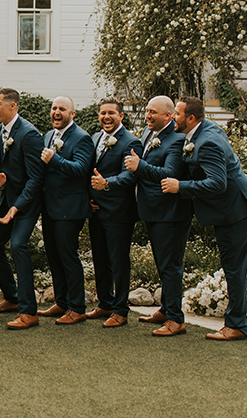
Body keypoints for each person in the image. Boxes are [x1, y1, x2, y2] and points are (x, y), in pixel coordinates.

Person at [161, 97, 247, 341]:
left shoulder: (208, 142)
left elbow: (217, 183)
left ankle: (236, 326)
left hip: (233, 208)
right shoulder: (204, 128)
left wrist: (180, 186)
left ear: (191, 119)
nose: (172, 118)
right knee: (245, 250)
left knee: (233, 266)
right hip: (236, 205)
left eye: (177, 114)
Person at [123, 95, 189, 337]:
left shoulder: (177, 140)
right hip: (151, 210)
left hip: (169, 213)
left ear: (168, 116)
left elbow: (170, 173)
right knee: (163, 264)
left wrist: (139, 166)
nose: (148, 116)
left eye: (153, 113)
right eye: (147, 111)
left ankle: (175, 319)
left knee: (171, 266)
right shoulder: (149, 133)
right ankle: (165, 308)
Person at [0, 88, 46, 330]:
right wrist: (3, 181)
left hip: (27, 203)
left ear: (13, 106)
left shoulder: (29, 135)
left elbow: (35, 179)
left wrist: (16, 207)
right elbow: (10, 170)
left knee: (18, 246)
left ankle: (29, 312)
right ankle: (11, 298)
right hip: (9, 197)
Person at [37, 96, 94, 326]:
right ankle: (61, 301)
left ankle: (77, 307)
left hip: (70, 209)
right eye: (54, 108)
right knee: (54, 255)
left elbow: (81, 169)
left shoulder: (82, 138)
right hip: (50, 206)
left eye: (62, 109)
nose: (56, 112)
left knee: (68, 256)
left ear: (73, 114)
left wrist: (54, 159)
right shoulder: (49, 135)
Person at [87, 97, 143, 328]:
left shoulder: (131, 142)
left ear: (121, 116)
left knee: (118, 261)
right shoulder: (95, 138)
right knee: (100, 258)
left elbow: (130, 176)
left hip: (119, 213)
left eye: (111, 113)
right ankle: (105, 302)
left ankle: (120, 309)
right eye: (102, 113)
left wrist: (106, 184)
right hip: (96, 210)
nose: (106, 117)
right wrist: (89, 198)